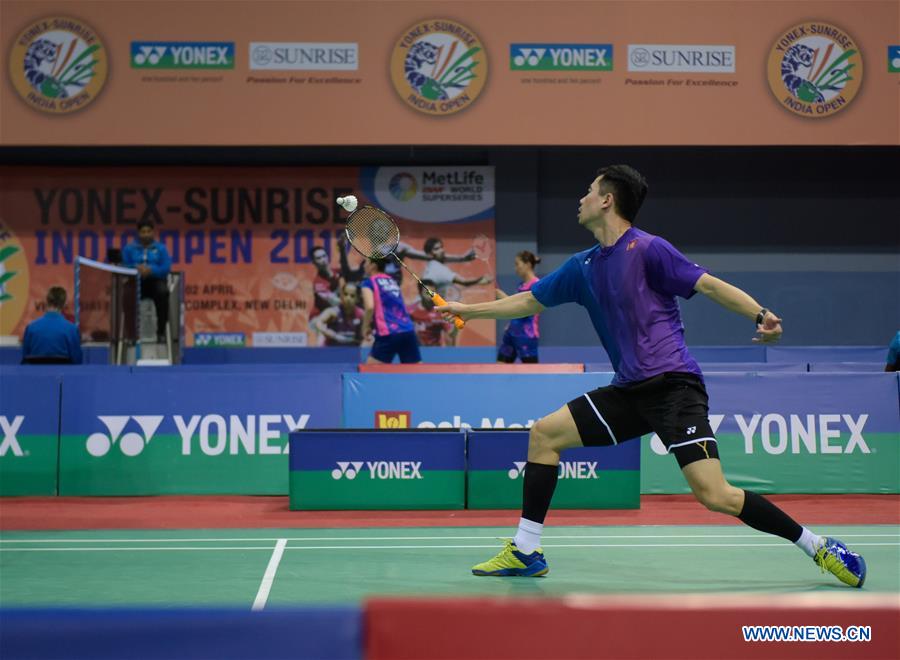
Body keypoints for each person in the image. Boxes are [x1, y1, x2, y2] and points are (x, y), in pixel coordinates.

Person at [437, 164, 866, 588]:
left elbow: (710, 285)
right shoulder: (581, 265)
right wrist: (466, 311)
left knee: (715, 495)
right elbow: (528, 303)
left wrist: (761, 314)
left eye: (588, 190)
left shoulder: (649, 249)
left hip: (673, 386)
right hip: (627, 391)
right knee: (545, 435)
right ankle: (526, 550)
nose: (580, 199)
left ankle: (819, 546)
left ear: (607, 200)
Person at [339, 236, 477, 286]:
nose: (378, 234)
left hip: (392, 298)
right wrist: (341, 251)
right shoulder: (369, 261)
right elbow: (350, 276)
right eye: (373, 232)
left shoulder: (399, 249)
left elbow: (430, 256)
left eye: (381, 230)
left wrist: (462, 258)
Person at [360, 257, 420, 364]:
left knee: (370, 372)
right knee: (416, 372)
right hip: (407, 331)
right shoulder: (392, 281)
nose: (364, 265)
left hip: (388, 334)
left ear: (373, 265)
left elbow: (369, 307)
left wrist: (365, 327)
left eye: (366, 263)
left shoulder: (368, 283)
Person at [122, 219, 171, 343]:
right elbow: (123, 266)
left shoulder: (161, 248)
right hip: (135, 282)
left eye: (148, 231)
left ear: (153, 232)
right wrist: (136, 268)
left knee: (163, 293)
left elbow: (166, 267)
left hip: (155, 282)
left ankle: (161, 333)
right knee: (127, 295)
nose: (146, 234)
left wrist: (151, 270)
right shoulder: (129, 248)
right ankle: (131, 335)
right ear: (138, 233)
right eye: (143, 232)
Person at [496, 250, 541, 363]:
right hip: (511, 333)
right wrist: (510, 324)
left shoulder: (537, 285)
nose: (515, 268)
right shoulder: (521, 286)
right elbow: (515, 310)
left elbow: (526, 308)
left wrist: (503, 297)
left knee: (532, 373)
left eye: (517, 264)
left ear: (528, 264)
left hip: (527, 335)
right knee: (499, 369)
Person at [21, 286, 82, 364]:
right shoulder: (72, 329)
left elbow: (25, 360)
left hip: (37, 375)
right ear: (64, 304)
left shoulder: (31, 328)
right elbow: (77, 361)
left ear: (46, 301)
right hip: (64, 375)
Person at [422, 237, 492, 298]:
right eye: (436, 249)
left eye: (441, 247)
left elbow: (447, 258)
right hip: (430, 306)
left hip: (427, 303)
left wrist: (463, 258)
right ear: (429, 254)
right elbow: (464, 282)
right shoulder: (439, 269)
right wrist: (480, 279)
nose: (442, 250)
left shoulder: (432, 263)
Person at [312, 282, 365, 346]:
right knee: (320, 339)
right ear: (341, 296)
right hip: (333, 349)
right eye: (345, 294)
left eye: (352, 296)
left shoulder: (361, 314)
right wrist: (333, 335)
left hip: (351, 349)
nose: (348, 298)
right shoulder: (333, 312)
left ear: (357, 299)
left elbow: (368, 331)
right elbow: (318, 322)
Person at [409, 279, 457, 347]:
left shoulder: (441, 312)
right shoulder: (410, 311)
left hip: (434, 352)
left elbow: (449, 337)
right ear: (420, 293)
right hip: (416, 352)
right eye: (426, 292)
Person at [310, 245, 342, 321]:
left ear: (328, 257)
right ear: (314, 263)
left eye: (324, 256)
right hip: (318, 319)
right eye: (319, 258)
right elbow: (335, 302)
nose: (323, 260)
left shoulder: (339, 272)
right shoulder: (318, 284)